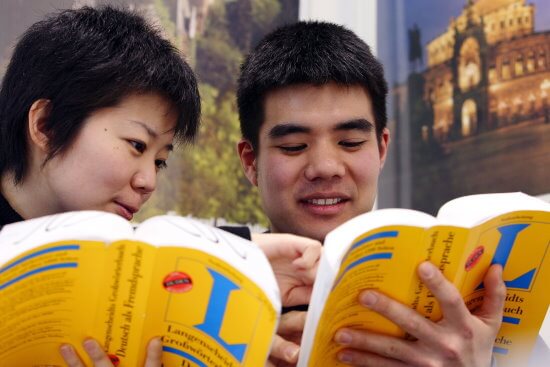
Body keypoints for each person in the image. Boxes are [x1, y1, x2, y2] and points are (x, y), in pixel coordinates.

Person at [0, 6, 320, 367]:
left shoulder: (108, 254)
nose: (148, 182)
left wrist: (244, 254)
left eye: (159, 160)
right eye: (137, 145)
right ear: (46, 126)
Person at [237, 21, 508, 367]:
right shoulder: (207, 300)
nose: (325, 167)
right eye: (293, 146)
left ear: (381, 150)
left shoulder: (458, 318)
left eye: (350, 143)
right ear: (250, 160)